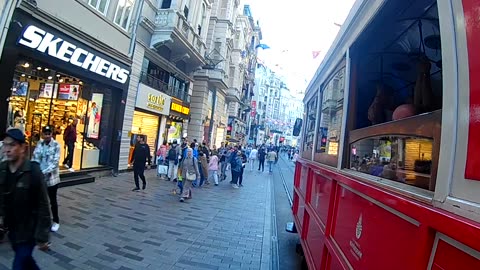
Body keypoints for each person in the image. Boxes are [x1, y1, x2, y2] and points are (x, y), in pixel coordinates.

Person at [0, 128, 51, 269]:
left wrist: (42, 237)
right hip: (13, 230)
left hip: (29, 231)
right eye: (5, 144)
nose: (7, 149)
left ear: (23, 148)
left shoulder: (33, 171)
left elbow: (43, 205)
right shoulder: (3, 169)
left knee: (18, 264)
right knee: (27, 262)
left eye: (12, 145)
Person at [32, 126, 61, 232]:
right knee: (40, 200)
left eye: (49, 133)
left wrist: (43, 172)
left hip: (52, 179)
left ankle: (56, 221)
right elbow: (35, 157)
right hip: (40, 178)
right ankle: (40, 220)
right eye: (45, 133)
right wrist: (35, 170)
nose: (47, 135)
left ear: (52, 134)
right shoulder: (40, 144)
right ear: (42, 134)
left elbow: (55, 162)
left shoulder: (57, 145)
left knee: (52, 200)